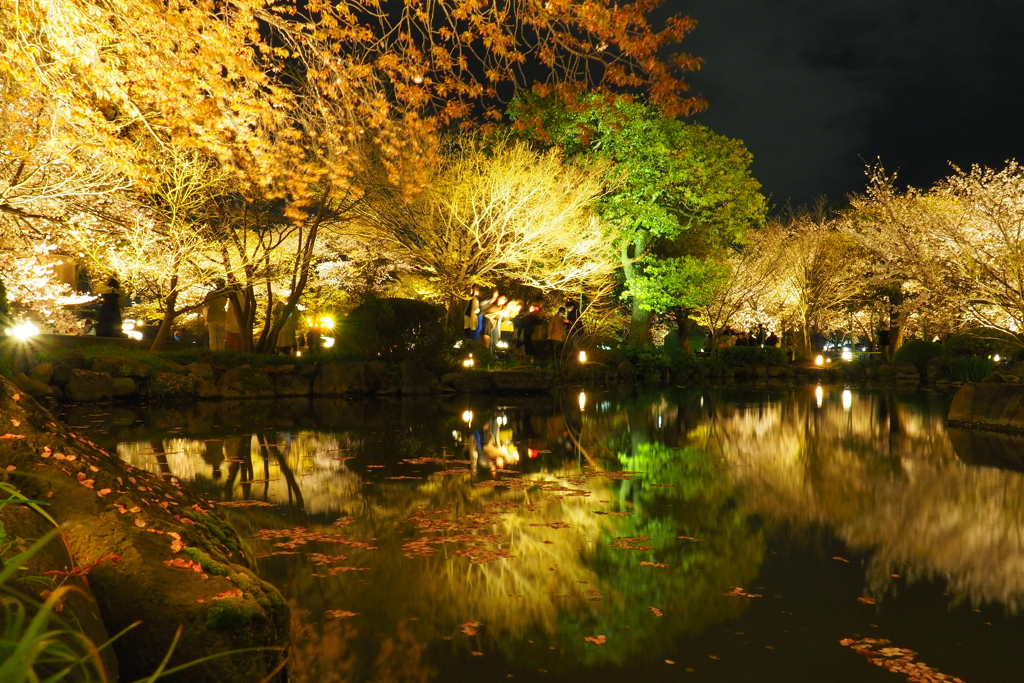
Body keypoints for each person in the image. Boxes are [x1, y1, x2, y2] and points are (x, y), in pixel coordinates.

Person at [203, 281, 228, 351]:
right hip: (221, 317)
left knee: (213, 337)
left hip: (212, 317)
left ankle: (214, 351)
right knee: (221, 337)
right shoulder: (225, 295)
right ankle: (221, 351)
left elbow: (205, 304)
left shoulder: (210, 294)